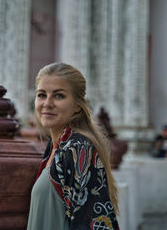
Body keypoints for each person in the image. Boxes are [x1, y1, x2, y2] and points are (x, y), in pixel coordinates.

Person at [27, 62, 120, 230]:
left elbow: (93, 221)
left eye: (59, 96)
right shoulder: (56, 147)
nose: (47, 103)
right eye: (41, 95)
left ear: (77, 106)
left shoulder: (78, 148)